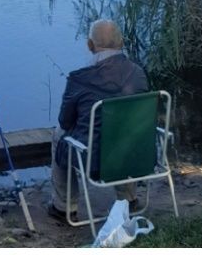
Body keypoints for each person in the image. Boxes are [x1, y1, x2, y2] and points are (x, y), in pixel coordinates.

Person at [49, 19, 149, 222]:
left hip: (94, 162)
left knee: (58, 136)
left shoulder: (79, 79)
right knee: (125, 131)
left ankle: (64, 207)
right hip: (135, 154)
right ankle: (128, 199)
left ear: (90, 45)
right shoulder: (138, 74)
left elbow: (65, 122)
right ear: (121, 43)